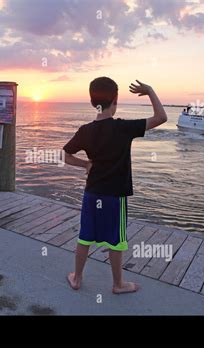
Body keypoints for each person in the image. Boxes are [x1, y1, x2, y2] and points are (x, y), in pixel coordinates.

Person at [63, 77, 167, 294]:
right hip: (114, 197)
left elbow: (65, 155)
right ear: (116, 99)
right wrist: (149, 90)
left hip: (91, 194)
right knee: (116, 241)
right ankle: (118, 284)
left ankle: (77, 278)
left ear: (93, 101)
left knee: (85, 237)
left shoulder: (85, 130)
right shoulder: (123, 128)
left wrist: (85, 164)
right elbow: (161, 117)